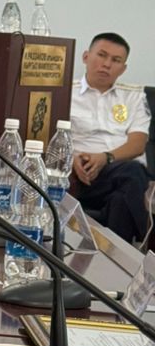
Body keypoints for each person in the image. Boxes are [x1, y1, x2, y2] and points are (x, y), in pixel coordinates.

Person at [69, 32, 151, 243]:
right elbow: (50, 136)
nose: (106, 64)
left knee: (122, 196)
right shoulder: (65, 92)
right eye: (102, 55)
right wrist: (71, 158)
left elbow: (138, 144)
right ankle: (143, 246)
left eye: (116, 60)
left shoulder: (134, 96)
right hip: (78, 174)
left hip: (119, 170)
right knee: (131, 181)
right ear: (86, 57)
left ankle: (112, 254)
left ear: (123, 68)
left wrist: (105, 157)